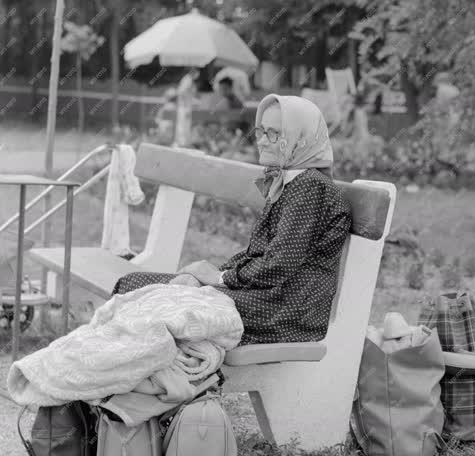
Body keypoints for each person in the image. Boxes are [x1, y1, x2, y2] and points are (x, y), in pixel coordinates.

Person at [112, 94, 353, 345]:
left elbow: (278, 266)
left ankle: (140, 373)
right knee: (138, 286)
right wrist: (212, 274)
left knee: (154, 296)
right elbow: (259, 254)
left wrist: (219, 279)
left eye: (274, 134)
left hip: (285, 309)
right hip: (266, 296)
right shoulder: (290, 182)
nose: (261, 140)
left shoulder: (311, 187)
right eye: (261, 131)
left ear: (301, 138)